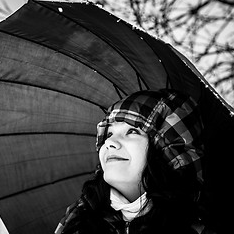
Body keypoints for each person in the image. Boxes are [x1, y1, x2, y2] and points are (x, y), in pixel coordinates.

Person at [54, 89, 216, 234]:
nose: (110, 143)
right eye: (109, 134)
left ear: (166, 151)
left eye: (131, 131)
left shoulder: (196, 229)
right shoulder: (77, 220)